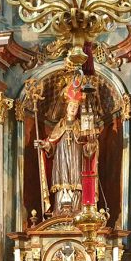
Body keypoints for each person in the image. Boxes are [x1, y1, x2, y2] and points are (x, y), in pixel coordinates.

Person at [36, 74, 86, 215]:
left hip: (76, 158)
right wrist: (45, 145)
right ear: (66, 107)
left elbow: (88, 147)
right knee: (62, 179)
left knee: (76, 181)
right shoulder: (60, 124)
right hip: (61, 158)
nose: (73, 108)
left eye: (76, 106)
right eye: (71, 105)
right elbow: (52, 143)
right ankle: (59, 210)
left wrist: (92, 144)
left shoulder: (81, 126)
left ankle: (77, 209)